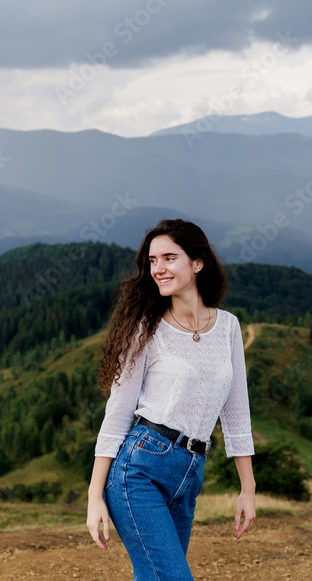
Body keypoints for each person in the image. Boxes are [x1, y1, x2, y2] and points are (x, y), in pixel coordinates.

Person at [86, 218, 256, 580]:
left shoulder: (228, 327)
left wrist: (248, 487)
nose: (158, 269)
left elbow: (237, 412)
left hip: (191, 472)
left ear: (197, 263)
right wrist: (94, 495)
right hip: (139, 469)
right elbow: (117, 414)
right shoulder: (145, 328)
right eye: (152, 261)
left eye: (168, 258)